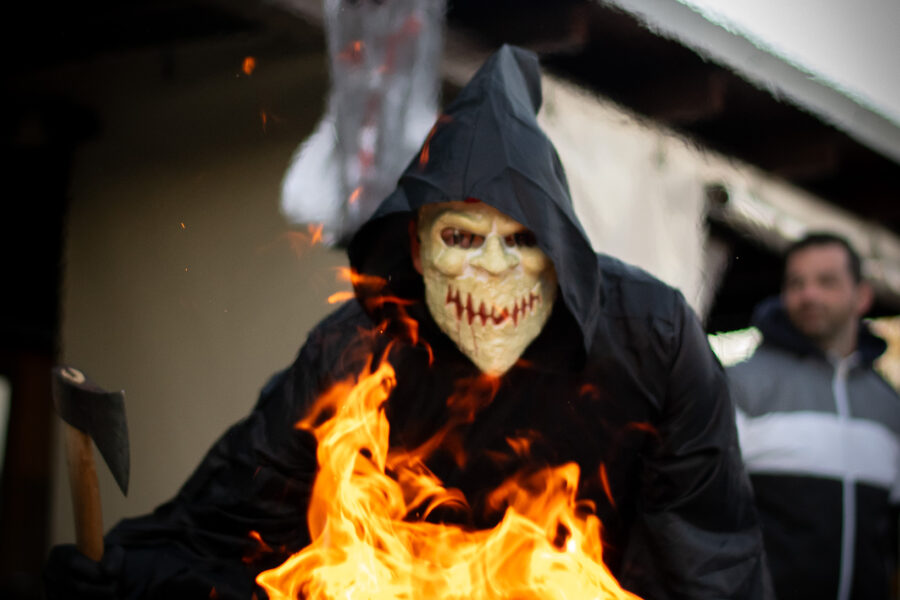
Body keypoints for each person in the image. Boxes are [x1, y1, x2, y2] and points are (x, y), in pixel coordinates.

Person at [46, 45, 771, 599]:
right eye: (462, 238)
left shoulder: (653, 338)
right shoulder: (354, 354)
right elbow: (228, 522)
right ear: (417, 251)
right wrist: (118, 571)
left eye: (522, 240)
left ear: (560, 254)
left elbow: (710, 556)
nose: (492, 271)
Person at [728, 233, 900, 600]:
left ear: (862, 296)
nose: (809, 295)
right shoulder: (741, 386)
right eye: (796, 283)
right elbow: (699, 516)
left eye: (827, 281)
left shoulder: (889, 407)